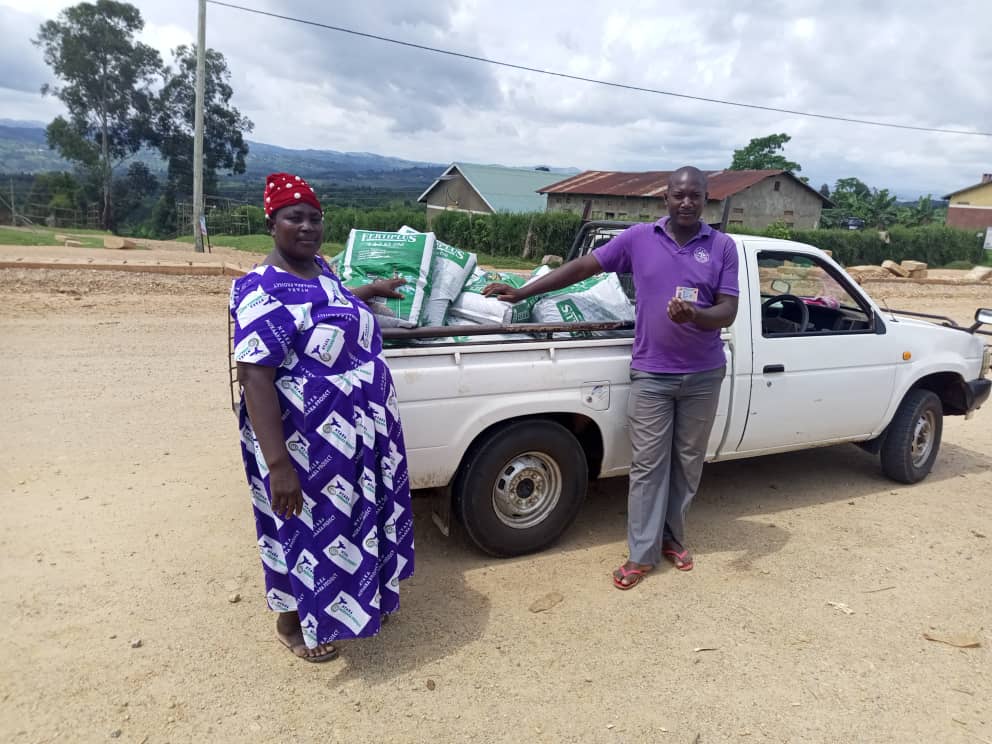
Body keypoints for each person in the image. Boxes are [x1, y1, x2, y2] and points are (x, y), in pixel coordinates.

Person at [484, 166, 738, 590]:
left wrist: (696, 314)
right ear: (666, 199)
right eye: (679, 195)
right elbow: (585, 266)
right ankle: (642, 555)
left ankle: (673, 538)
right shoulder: (640, 238)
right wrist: (526, 291)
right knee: (647, 466)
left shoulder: (721, 247)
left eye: (695, 196)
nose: (687, 203)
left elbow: (728, 310)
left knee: (687, 463)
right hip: (652, 375)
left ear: (706, 199)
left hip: (703, 375)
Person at [230, 172, 415, 661]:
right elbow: (254, 378)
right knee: (306, 529)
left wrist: (369, 289)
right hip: (305, 439)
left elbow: (329, 303)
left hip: (358, 431)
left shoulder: (321, 269)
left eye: (315, 218)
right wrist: (278, 465)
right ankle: (293, 622)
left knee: (355, 517)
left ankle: (363, 600)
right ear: (272, 223)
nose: (308, 227)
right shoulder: (260, 289)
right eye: (295, 217)